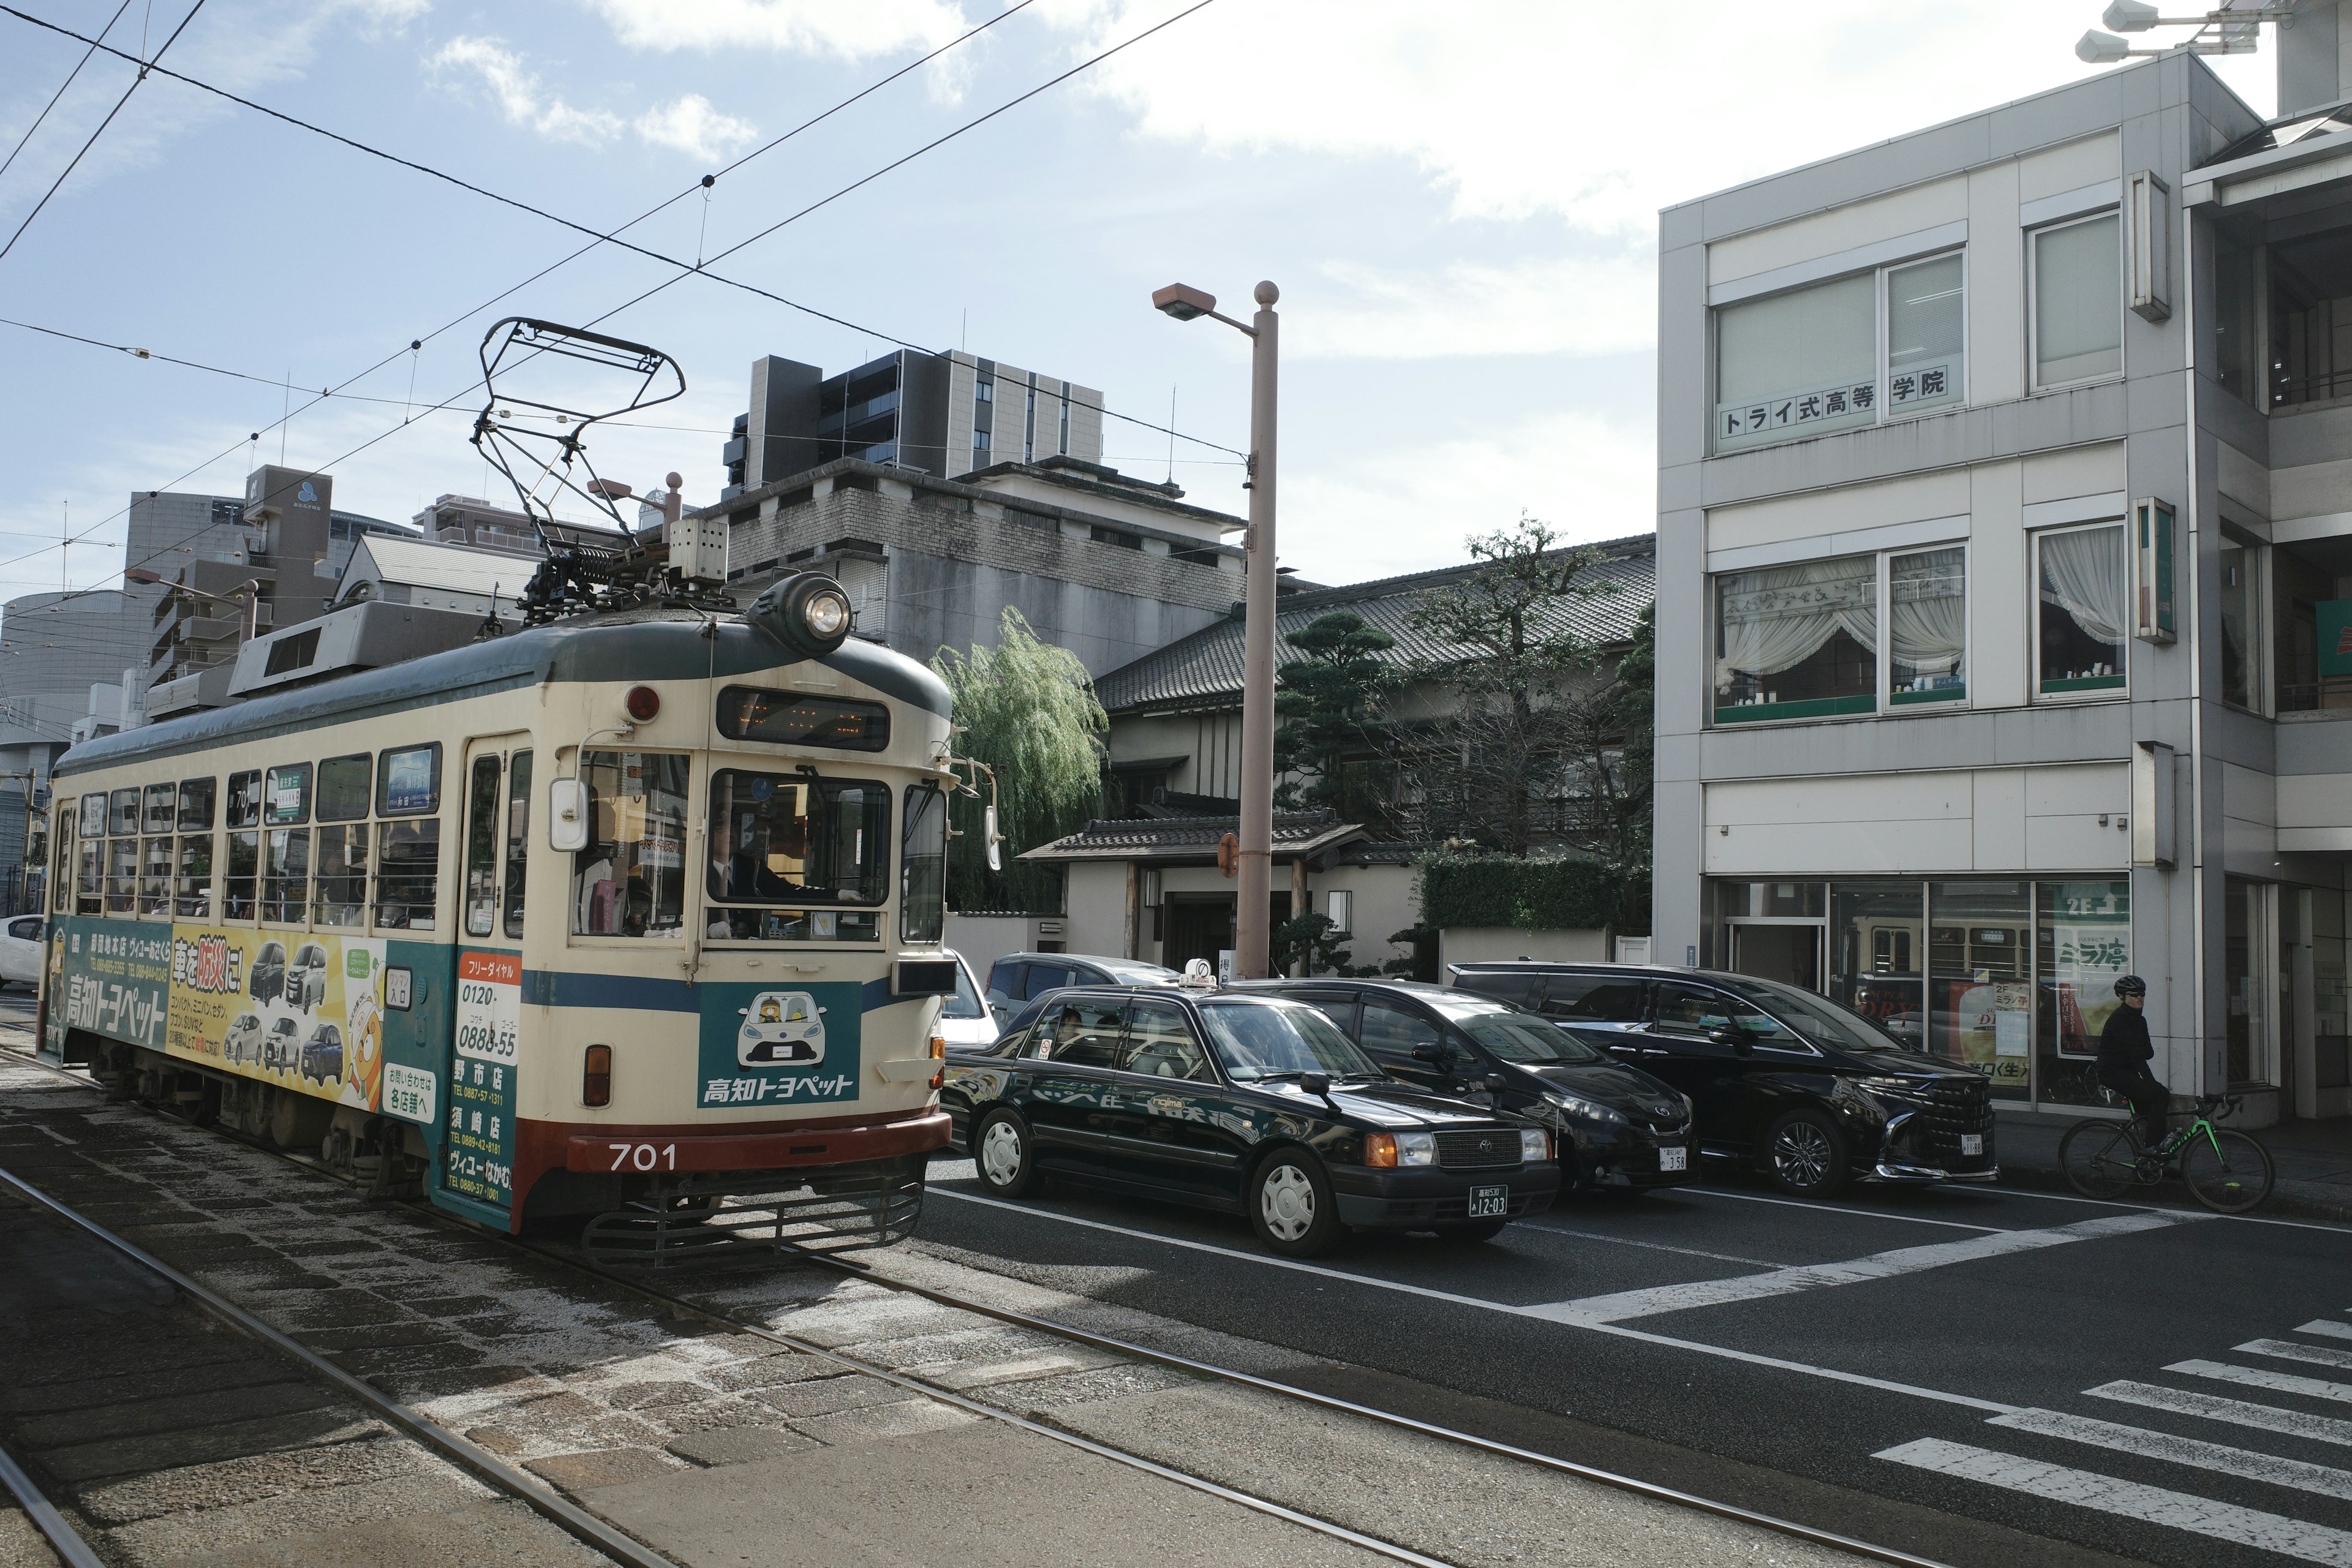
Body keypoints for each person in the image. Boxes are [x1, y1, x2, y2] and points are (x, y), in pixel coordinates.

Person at [2095, 974, 2168, 1149]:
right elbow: (2138, 1056)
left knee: (2154, 1107)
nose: (2139, 998)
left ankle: (2151, 1163)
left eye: (2142, 994)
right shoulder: (2120, 1019)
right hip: (2112, 1072)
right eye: (2134, 995)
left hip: (2127, 1071)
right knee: (2160, 1095)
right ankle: (2152, 1153)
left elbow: (2148, 1053)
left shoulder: (2139, 1020)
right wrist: (2151, 1083)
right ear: (2122, 997)